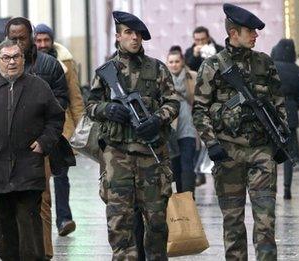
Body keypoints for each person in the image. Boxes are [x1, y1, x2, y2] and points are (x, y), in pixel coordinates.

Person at [193, 3, 287, 260]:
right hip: (228, 152)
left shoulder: (264, 63)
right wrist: (212, 144)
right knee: (233, 222)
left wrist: (281, 139)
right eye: (250, 31)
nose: (256, 35)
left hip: (261, 152)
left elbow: (279, 104)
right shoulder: (213, 66)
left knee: (266, 221)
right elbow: (199, 109)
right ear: (234, 33)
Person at [86, 11, 179, 260]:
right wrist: (108, 109)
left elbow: (173, 103)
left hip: (151, 156)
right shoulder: (106, 71)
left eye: (137, 34)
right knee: (119, 225)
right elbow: (91, 105)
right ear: (118, 36)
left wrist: (157, 120)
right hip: (117, 157)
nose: (134, 38)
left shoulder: (157, 69)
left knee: (157, 223)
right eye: (128, 33)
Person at [0, 17, 68, 259]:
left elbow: (57, 115)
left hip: (30, 164)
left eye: (16, 56)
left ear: (24, 56)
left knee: (33, 222)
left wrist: (43, 143)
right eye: (6, 57)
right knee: (5, 229)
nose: (11, 62)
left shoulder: (40, 83)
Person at [34, 23, 85, 237]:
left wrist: (82, 127)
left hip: (61, 127)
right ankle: (40, 219)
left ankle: (64, 219)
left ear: (51, 40)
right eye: (39, 40)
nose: (43, 44)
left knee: (61, 175)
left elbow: (74, 95)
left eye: (46, 40)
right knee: (38, 177)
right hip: (35, 128)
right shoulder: (27, 61)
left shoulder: (65, 61)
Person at [270, 38, 299, 200]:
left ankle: (270, 188)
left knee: (269, 153)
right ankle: (287, 188)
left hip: (270, 114)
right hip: (290, 113)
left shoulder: (270, 68)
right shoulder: (298, 71)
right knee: (289, 155)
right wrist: (292, 107)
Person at [166, 45, 198, 194]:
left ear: (182, 61)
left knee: (187, 166)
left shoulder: (193, 77)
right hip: (171, 131)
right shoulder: (164, 80)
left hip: (189, 129)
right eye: (171, 62)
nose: (174, 65)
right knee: (175, 167)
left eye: (177, 61)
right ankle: (181, 202)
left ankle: (189, 199)